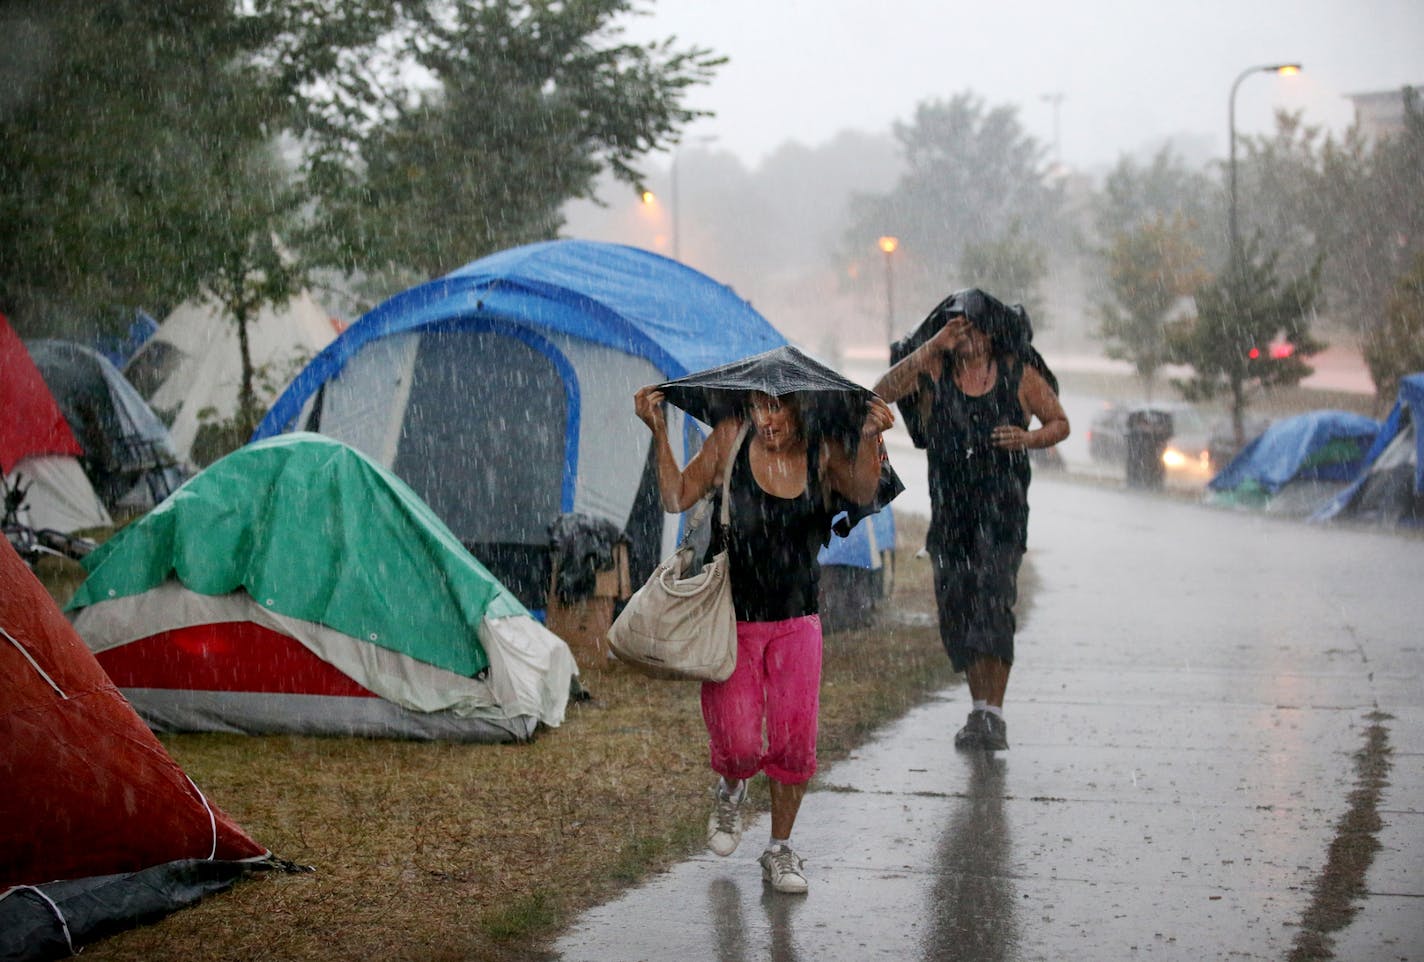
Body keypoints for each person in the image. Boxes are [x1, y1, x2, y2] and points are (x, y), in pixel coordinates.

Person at [632, 385, 894, 894]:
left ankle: (779, 849)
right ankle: (732, 785)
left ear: (800, 407)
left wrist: (867, 436)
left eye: (777, 407)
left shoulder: (821, 448)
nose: (767, 419)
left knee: (795, 745)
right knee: (738, 744)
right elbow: (674, 497)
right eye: (758, 406)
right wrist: (659, 429)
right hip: (733, 620)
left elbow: (864, 493)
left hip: (798, 620)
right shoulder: (730, 437)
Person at [872, 291, 1068, 752]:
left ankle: (992, 714)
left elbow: (1059, 422)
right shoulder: (935, 372)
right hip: (951, 516)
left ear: (992, 332)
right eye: (958, 330)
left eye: (974, 330)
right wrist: (931, 347)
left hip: (1002, 514)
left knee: (992, 606)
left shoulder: (1017, 374)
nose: (968, 339)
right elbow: (880, 393)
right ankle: (979, 707)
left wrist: (1027, 437)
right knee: (958, 610)